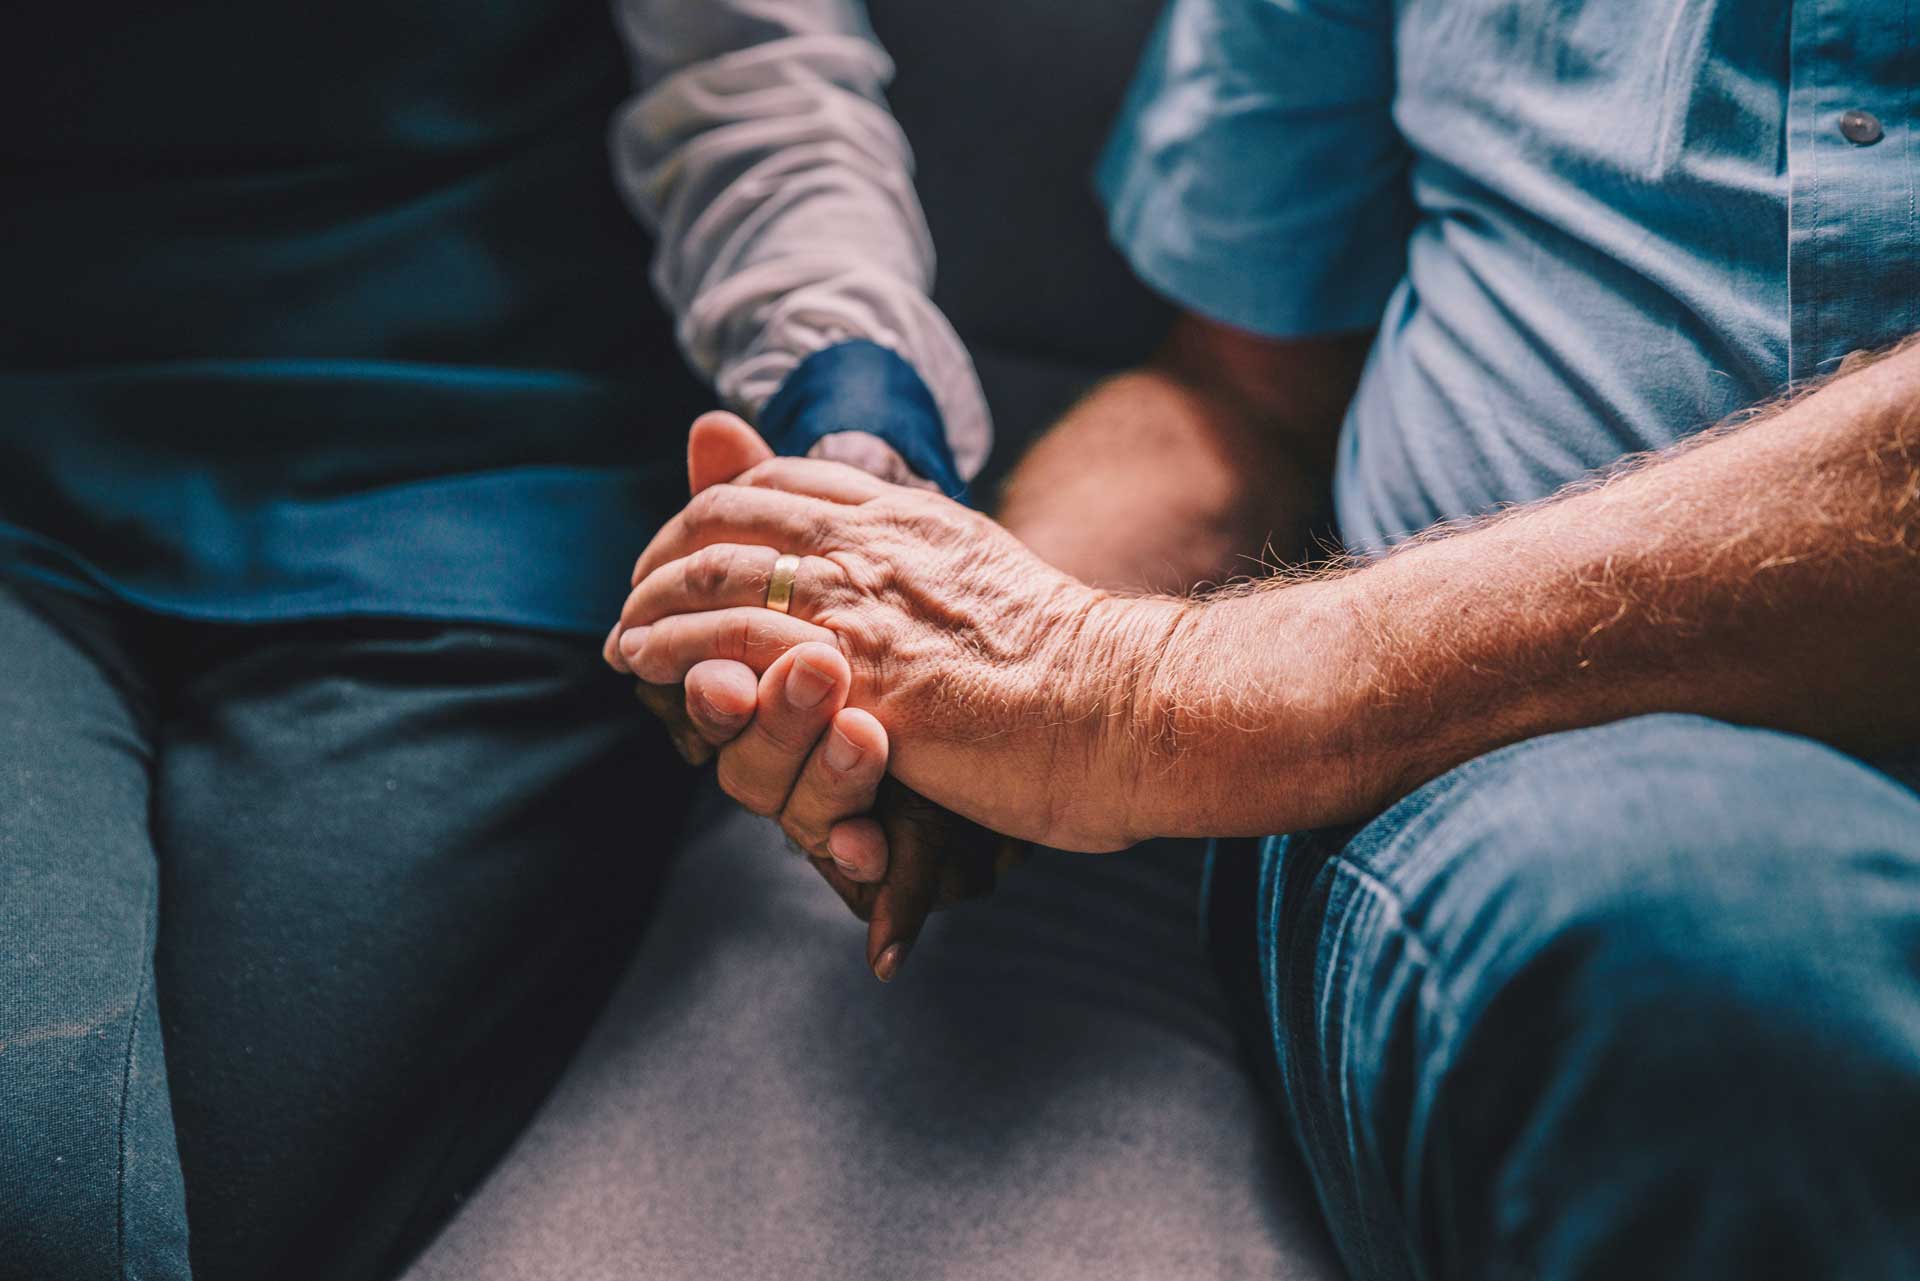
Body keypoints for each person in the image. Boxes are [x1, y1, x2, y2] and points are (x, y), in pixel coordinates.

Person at [608, 0, 1920, 1276]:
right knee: (1715, 964)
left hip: (1391, 733)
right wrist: (940, 677)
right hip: (1499, 797)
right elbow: (1240, 401)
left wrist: (1137, 703)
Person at [0, 2, 988, 1278]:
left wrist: (851, 431)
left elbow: (754, 84)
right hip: (28, 476)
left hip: (480, 511)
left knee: (204, 1206)